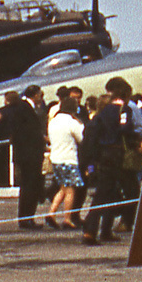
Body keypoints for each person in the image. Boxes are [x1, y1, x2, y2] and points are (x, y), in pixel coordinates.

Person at [81, 77, 133, 245]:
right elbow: (125, 128)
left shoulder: (103, 112)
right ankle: (91, 229)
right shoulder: (124, 110)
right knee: (106, 192)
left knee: (109, 191)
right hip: (115, 152)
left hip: (103, 154)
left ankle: (103, 230)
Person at [0, 87, 46, 229]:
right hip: (29, 154)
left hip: (26, 153)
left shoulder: (21, 108)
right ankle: (26, 218)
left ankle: (27, 217)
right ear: (36, 95)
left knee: (29, 185)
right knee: (30, 185)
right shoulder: (24, 109)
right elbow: (28, 132)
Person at [46, 96, 85, 230]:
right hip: (68, 159)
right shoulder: (71, 122)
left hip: (55, 158)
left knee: (63, 188)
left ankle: (51, 212)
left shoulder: (53, 121)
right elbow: (81, 138)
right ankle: (67, 218)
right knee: (71, 190)